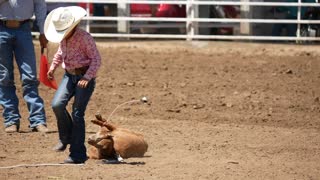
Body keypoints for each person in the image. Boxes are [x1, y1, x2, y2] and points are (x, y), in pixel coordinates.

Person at [44, 6, 101, 164]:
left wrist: (88, 77)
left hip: (83, 77)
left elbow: (96, 59)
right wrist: (52, 67)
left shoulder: (85, 38)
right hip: (69, 75)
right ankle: (66, 138)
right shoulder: (64, 38)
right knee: (57, 104)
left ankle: (78, 154)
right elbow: (60, 53)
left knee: (77, 113)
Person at [0, 0, 49, 133]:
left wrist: (43, 31)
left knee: (29, 76)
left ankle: (37, 120)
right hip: (1, 28)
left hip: (24, 28)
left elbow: (40, 4)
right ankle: (11, 120)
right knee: (4, 77)